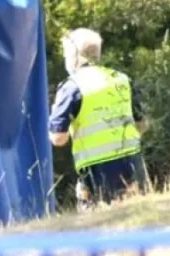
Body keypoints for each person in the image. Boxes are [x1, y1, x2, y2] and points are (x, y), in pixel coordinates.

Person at [49, 28, 149, 211]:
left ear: (75, 55)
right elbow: (142, 124)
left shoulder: (71, 87)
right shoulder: (121, 79)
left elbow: (58, 138)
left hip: (96, 170)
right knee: (140, 217)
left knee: (100, 224)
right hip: (132, 162)